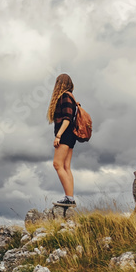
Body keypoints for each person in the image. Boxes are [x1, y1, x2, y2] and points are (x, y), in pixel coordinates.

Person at [47, 73, 78, 207]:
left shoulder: (64, 97)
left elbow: (67, 118)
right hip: (71, 135)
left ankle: (69, 198)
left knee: (57, 164)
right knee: (66, 166)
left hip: (65, 134)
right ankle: (70, 198)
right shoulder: (71, 97)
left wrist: (58, 135)